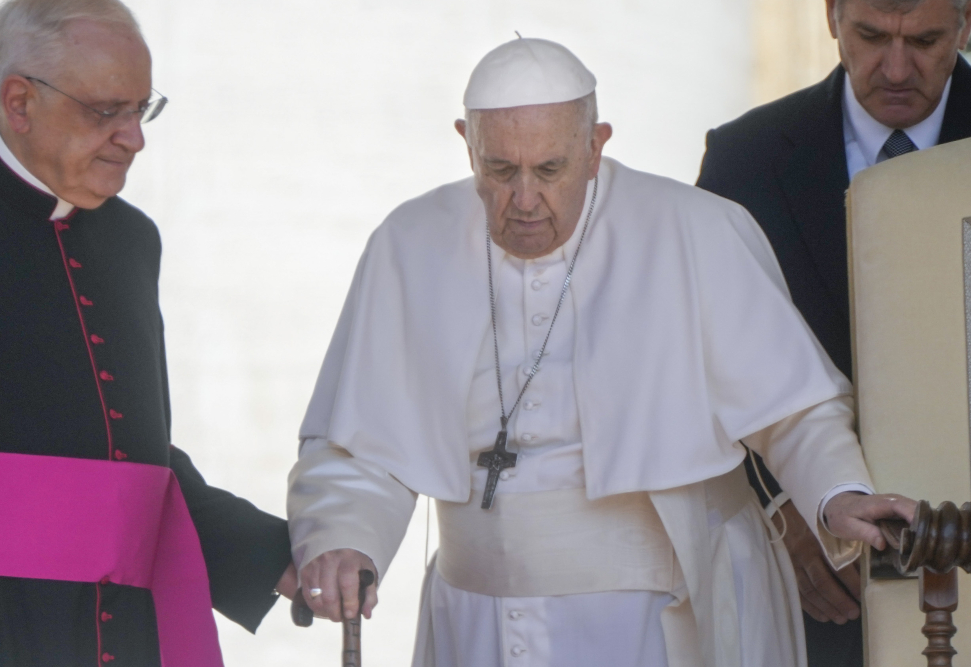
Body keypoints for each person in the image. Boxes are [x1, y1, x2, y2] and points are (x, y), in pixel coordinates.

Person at [287, 37, 916, 667]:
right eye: (501, 171)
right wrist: (345, 536)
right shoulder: (408, 243)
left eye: (550, 170)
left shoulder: (694, 230)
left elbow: (794, 408)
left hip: (662, 619)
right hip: (476, 623)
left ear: (596, 146)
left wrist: (838, 493)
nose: (525, 199)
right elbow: (361, 442)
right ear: (466, 145)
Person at [0, 1, 297, 665]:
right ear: (19, 101)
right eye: (106, 111)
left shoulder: (130, 239)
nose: (135, 137)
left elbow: (131, 461)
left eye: (142, 109)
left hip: (129, 633)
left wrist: (277, 557)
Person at [696, 0, 971, 664]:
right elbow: (702, 355)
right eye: (872, 36)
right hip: (820, 583)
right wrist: (786, 515)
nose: (897, 67)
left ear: (966, 22)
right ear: (831, 17)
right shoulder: (745, 159)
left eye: (926, 40)